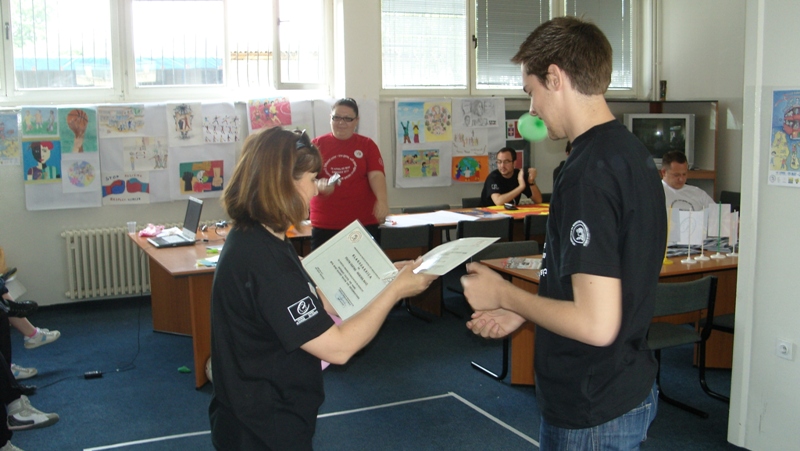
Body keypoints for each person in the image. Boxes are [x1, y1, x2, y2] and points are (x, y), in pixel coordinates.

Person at [461, 17, 666, 450]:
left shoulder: (586, 173)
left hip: (592, 403)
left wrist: (505, 295)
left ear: (555, 78)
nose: (532, 110)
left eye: (531, 92)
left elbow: (596, 324)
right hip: (622, 383)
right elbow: (602, 277)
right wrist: (527, 312)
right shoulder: (630, 152)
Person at [208, 127, 437, 450]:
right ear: (284, 183)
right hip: (262, 425)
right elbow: (339, 348)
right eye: (313, 179)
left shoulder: (260, 236)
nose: (316, 189)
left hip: (261, 412)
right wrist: (395, 292)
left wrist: (385, 278)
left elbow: (316, 297)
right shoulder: (264, 261)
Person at [309, 98, 388, 250]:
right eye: (336, 117)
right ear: (330, 118)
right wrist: (319, 185)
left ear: (356, 121)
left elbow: (376, 175)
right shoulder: (316, 145)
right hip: (325, 223)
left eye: (348, 119)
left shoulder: (367, 145)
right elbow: (304, 179)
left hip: (363, 223)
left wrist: (382, 201)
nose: (341, 123)